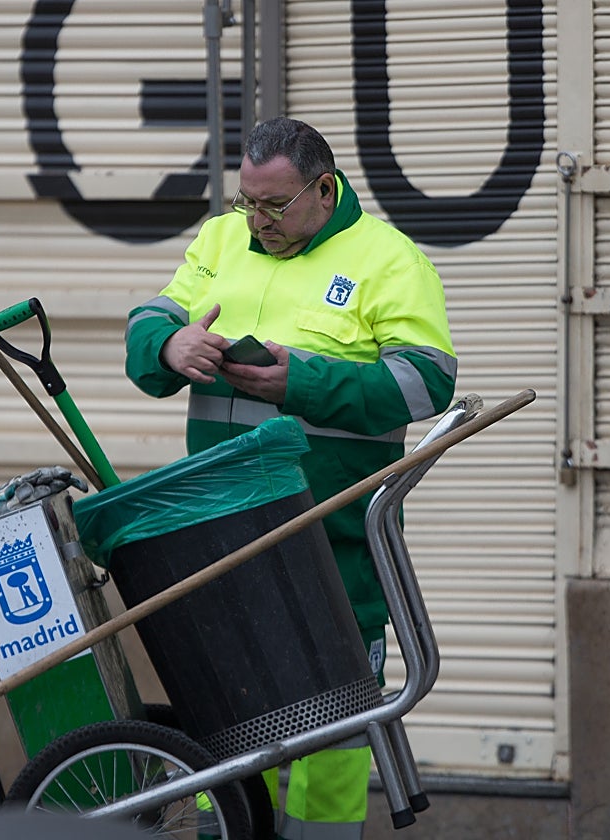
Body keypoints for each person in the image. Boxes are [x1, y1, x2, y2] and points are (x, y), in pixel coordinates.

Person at [124, 116, 456, 839]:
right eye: (248, 201)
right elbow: (148, 321)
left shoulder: (389, 261)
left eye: (275, 205)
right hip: (219, 539)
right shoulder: (219, 239)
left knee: (332, 735)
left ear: (323, 188)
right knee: (223, 717)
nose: (259, 221)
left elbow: (426, 384)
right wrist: (169, 343)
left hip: (328, 541)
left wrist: (299, 382)